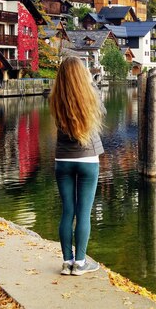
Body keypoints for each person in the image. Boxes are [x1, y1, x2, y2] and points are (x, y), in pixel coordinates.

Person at [49, 57, 104, 276]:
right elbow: (102, 113)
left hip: (62, 160)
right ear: (83, 76)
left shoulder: (54, 98)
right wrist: (91, 83)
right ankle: (80, 264)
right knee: (83, 213)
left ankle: (66, 262)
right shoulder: (91, 95)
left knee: (67, 211)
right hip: (88, 159)